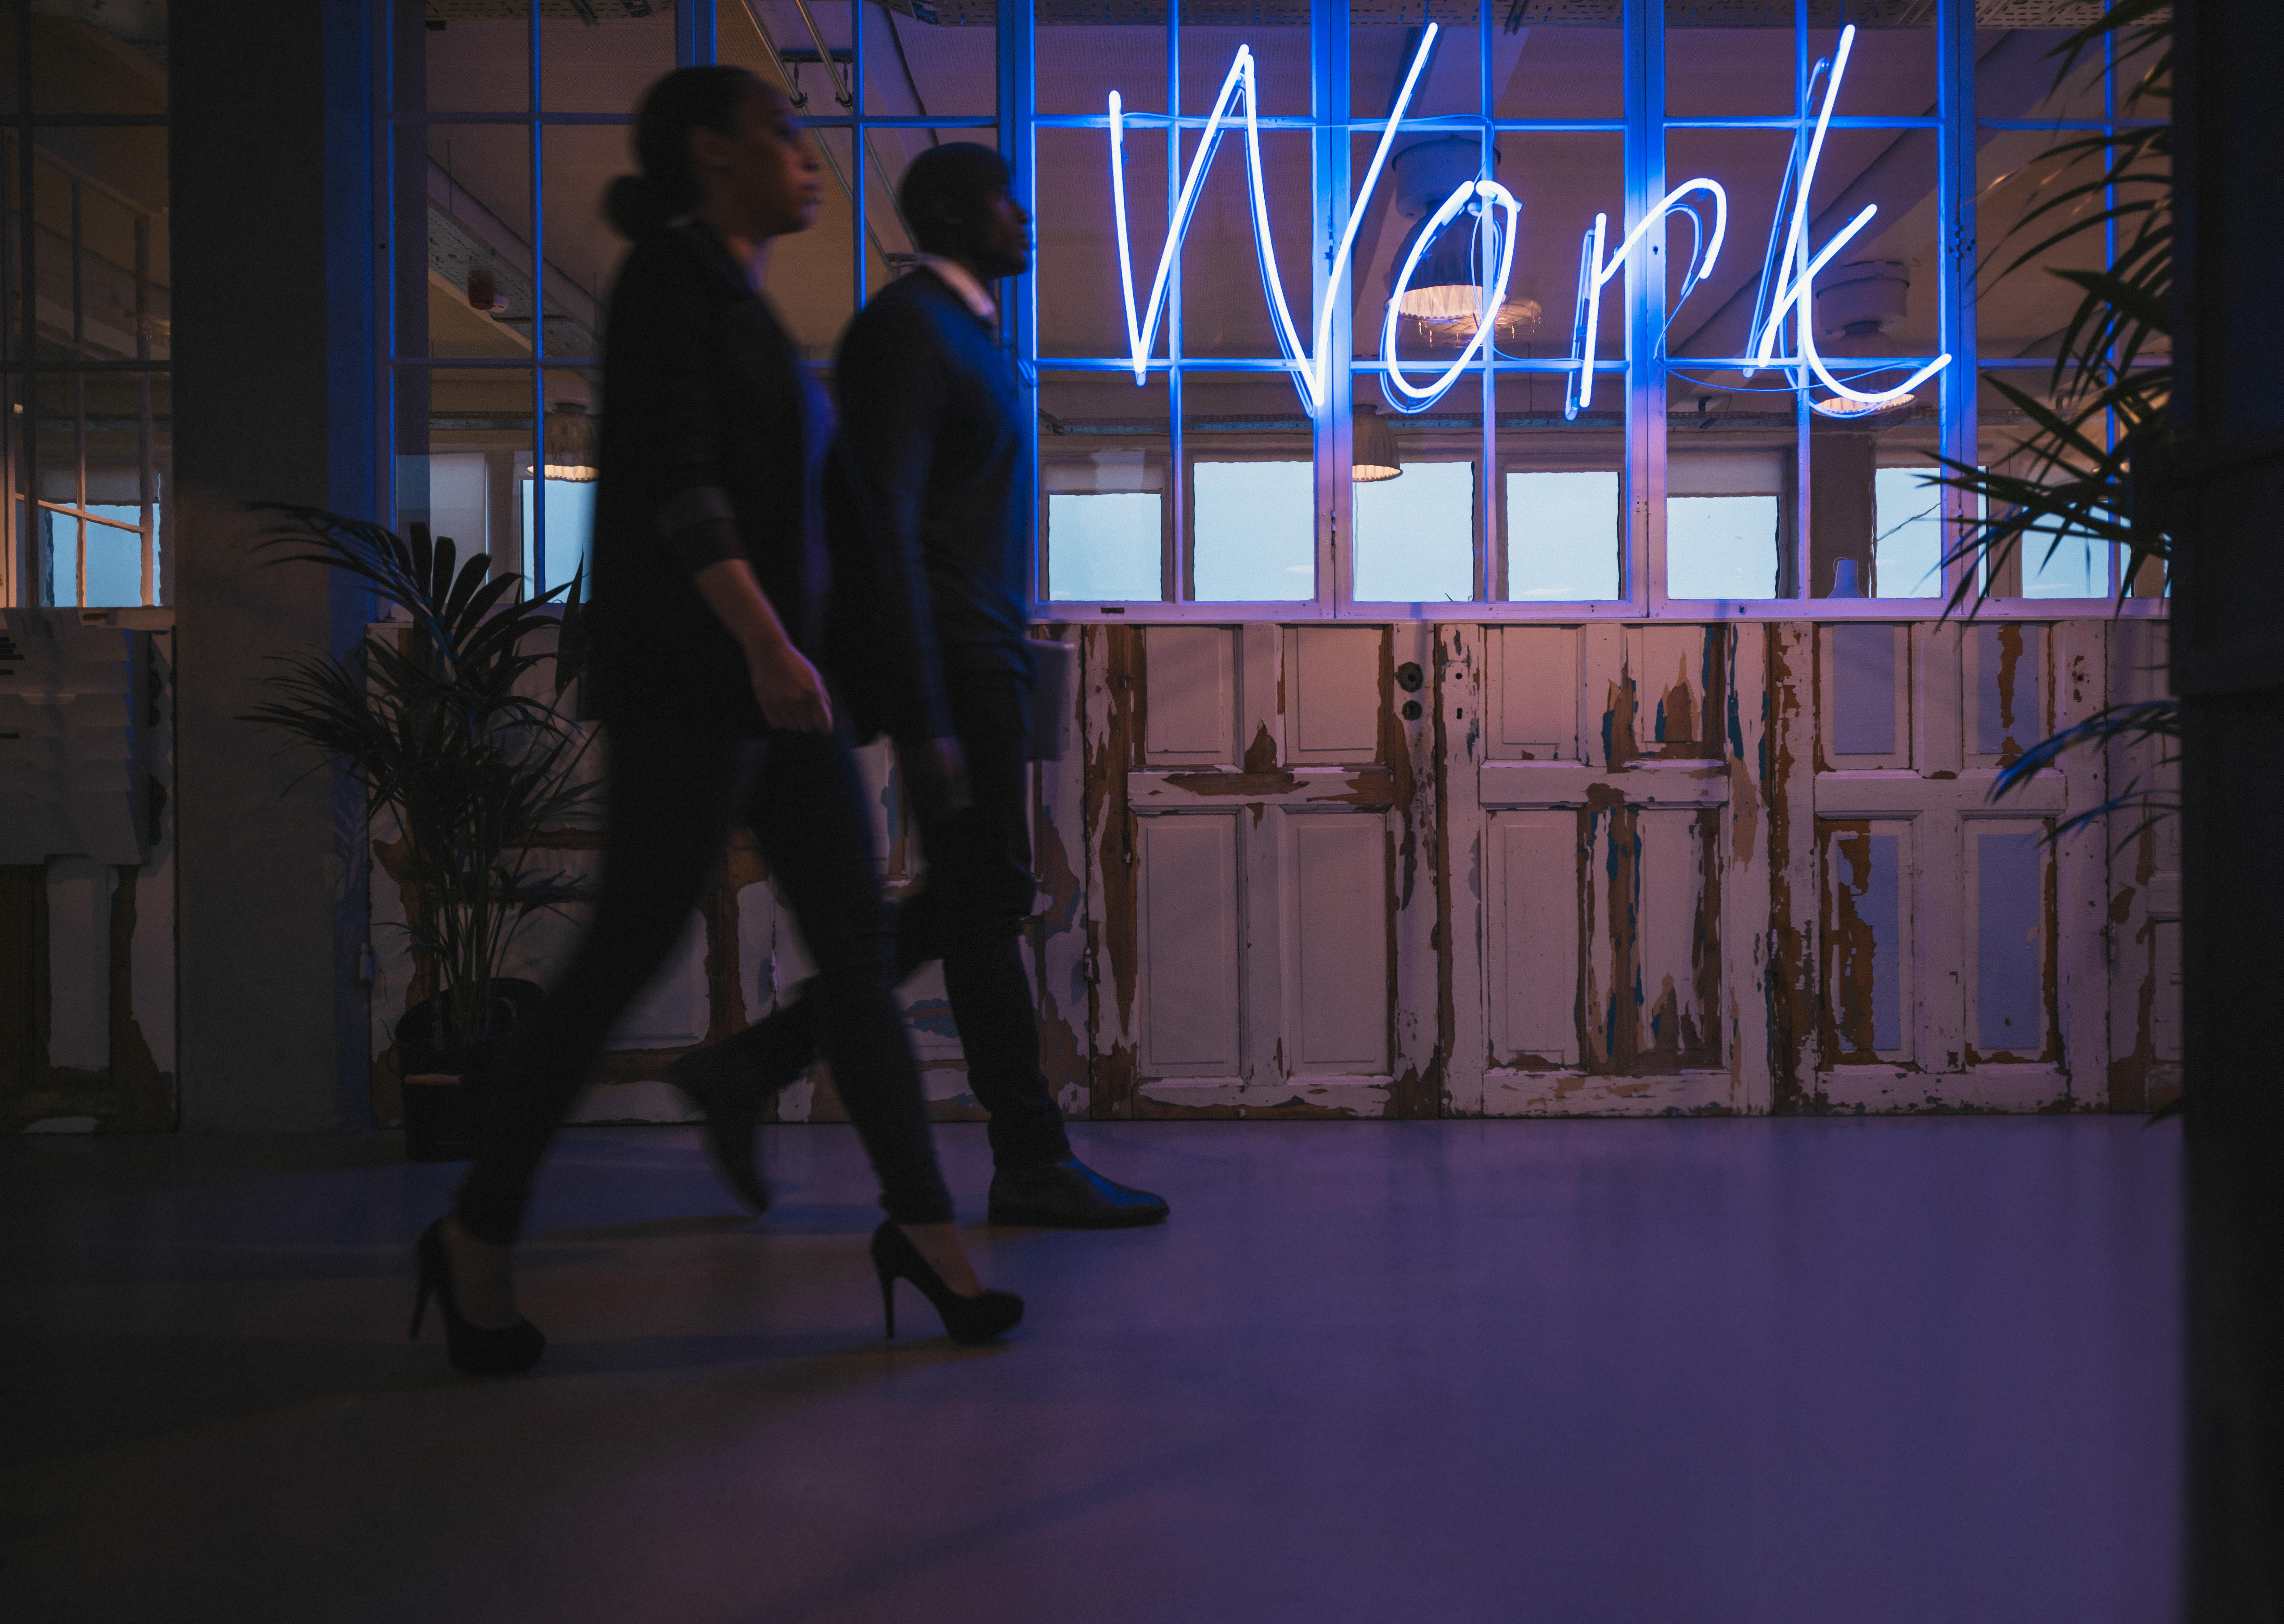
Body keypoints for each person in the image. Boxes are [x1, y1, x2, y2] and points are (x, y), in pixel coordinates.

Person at [409, 69, 1020, 1377]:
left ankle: (924, 1230)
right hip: (698, 685)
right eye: (784, 135)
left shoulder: (747, 307)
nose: (808, 157)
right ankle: (474, 1236)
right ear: (710, 150)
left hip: (778, 687)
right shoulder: (668, 283)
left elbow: (835, 530)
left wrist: (904, 715)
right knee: (619, 962)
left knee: (854, 957)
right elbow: (672, 476)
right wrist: (760, 638)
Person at [667, 144, 1169, 1232]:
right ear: (951, 213)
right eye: (1004, 197)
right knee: (985, 902)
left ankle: (754, 1062)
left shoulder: (969, 338)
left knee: (974, 897)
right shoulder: (907, 333)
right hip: (951, 659)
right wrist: (925, 705)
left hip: (981, 654)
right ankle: (1029, 1160)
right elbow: (880, 522)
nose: (1025, 214)